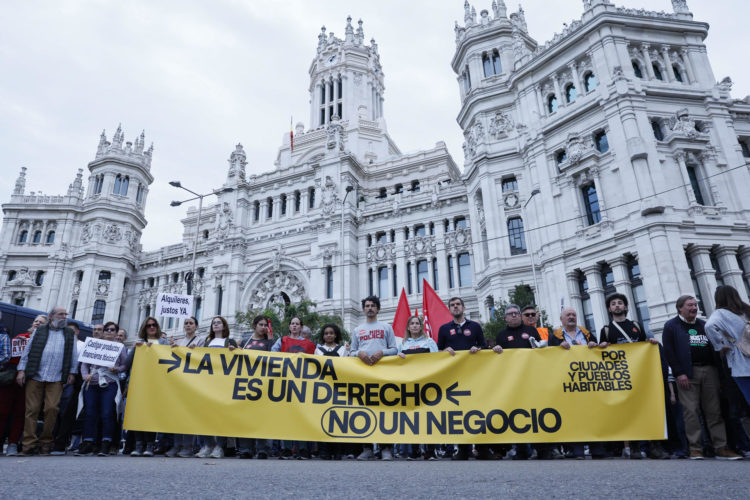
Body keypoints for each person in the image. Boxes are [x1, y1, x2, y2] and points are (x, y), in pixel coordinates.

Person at [662, 295, 742, 460]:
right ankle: (695, 448)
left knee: (714, 411)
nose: (694, 308)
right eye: (690, 305)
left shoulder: (704, 325)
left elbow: (715, 345)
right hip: (687, 374)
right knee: (690, 411)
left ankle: (721, 447)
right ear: (680, 308)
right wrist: (679, 373)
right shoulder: (671, 326)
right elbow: (669, 352)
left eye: (695, 304)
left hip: (710, 371)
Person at [599, 293, 667, 460]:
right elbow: (602, 356)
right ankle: (635, 446)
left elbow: (644, 346)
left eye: (620, 303)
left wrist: (651, 344)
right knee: (629, 412)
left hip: (642, 375)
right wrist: (603, 346)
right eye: (613, 303)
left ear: (625, 306)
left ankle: (654, 446)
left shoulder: (636, 325)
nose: (617, 306)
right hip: (622, 378)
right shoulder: (607, 330)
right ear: (609, 309)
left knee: (649, 409)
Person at [437, 297, 494, 460]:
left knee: (478, 411)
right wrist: (444, 350)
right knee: (460, 413)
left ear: (464, 307)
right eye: (452, 305)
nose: (455, 307)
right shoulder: (444, 329)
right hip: (454, 377)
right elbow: (438, 351)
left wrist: (479, 348)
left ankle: (483, 449)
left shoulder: (475, 327)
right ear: (450, 309)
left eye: (458, 305)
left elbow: (483, 346)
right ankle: (463, 449)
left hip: (474, 375)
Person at [15, 307, 78, 456]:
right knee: (32, 410)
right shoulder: (40, 330)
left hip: (56, 377)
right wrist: (22, 370)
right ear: (51, 316)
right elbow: (27, 351)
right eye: (61, 314)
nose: (64, 317)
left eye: (65, 314)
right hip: (36, 375)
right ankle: (28, 444)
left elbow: (73, 355)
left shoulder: (69, 333)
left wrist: (72, 372)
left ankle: (46, 442)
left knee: (51, 409)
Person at [548, 307, 608, 459]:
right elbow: (548, 357)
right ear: (561, 319)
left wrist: (596, 346)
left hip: (587, 381)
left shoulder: (587, 334)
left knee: (593, 414)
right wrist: (557, 348)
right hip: (567, 382)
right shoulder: (554, 337)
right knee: (573, 415)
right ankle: (577, 449)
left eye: (574, 314)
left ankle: (597, 448)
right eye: (568, 315)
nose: (571, 317)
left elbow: (598, 351)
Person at [350, 296, 398, 460]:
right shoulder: (357, 330)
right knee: (365, 409)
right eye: (367, 306)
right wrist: (359, 353)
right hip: (364, 374)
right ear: (363, 309)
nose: (370, 308)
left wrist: (381, 353)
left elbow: (394, 349)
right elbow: (352, 352)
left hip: (383, 374)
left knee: (384, 409)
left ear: (378, 309)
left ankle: (386, 448)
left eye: (373, 306)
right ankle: (367, 448)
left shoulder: (386, 327)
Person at [492, 304, 540, 460]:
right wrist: (497, 349)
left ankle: (542, 448)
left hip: (532, 378)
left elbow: (541, 351)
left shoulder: (531, 331)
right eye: (510, 314)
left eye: (516, 313)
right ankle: (521, 449)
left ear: (520, 316)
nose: (513, 316)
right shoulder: (501, 335)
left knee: (536, 413)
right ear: (505, 317)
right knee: (518, 415)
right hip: (513, 382)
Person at [76, 321, 128, 456]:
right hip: (92, 383)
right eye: (107, 329)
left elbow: (125, 364)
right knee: (90, 413)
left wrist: (117, 369)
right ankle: (88, 441)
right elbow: (84, 364)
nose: (109, 332)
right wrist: (85, 375)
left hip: (109, 383)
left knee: (107, 413)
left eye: (112, 330)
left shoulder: (120, 347)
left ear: (116, 333)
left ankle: (106, 442)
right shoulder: (93, 344)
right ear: (104, 332)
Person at [272, 316, 314, 459]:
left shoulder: (309, 344)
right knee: (287, 416)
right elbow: (271, 355)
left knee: (301, 415)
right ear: (289, 327)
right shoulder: (281, 341)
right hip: (285, 381)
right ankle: (287, 448)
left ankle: (302, 448)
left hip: (302, 383)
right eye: (292, 324)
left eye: (297, 324)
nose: (295, 326)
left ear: (301, 327)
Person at [195, 316, 237, 459]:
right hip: (207, 383)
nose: (215, 325)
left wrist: (234, 351)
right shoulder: (207, 343)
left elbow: (238, 360)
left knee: (220, 416)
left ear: (224, 326)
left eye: (218, 323)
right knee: (204, 414)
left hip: (223, 384)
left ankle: (219, 446)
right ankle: (207, 445)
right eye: (214, 323)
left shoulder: (229, 342)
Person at [398, 315, 438, 460]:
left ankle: (430, 451)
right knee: (412, 417)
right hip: (410, 384)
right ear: (408, 327)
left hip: (427, 383)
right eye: (412, 324)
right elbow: (397, 365)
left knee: (429, 417)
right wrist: (399, 357)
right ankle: (414, 451)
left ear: (421, 327)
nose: (415, 326)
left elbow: (437, 361)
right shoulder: (402, 344)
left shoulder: (429, 342)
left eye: (417, 323)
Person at [129, 317, 169, 457]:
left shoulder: (164, 342)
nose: (151, 327)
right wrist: (134, 350)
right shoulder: (139, 343)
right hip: (139, 383)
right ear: (144, 329)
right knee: (138, 413)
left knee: (150, 414)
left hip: (156, 384)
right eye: (148, 326)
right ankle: (139, 444)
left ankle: (150, 445)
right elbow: (128, 364)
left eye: (154, 325)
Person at [236, 315, 273, 459]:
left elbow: (275, 356)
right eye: (261, 325)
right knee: (246, 416)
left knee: (261, 417)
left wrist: (270, 339)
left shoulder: (269, 342)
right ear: (254, 326)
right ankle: (246, 448)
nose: (263, 327)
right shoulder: (245, 341)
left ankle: (262, 448)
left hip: (263, 384)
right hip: (245, 383)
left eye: (265, 325)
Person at [706, 285, 750, 405]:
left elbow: (709, 326)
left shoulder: (720, 314)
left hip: (741, 365)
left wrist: (719, 346)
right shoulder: (746, 310)